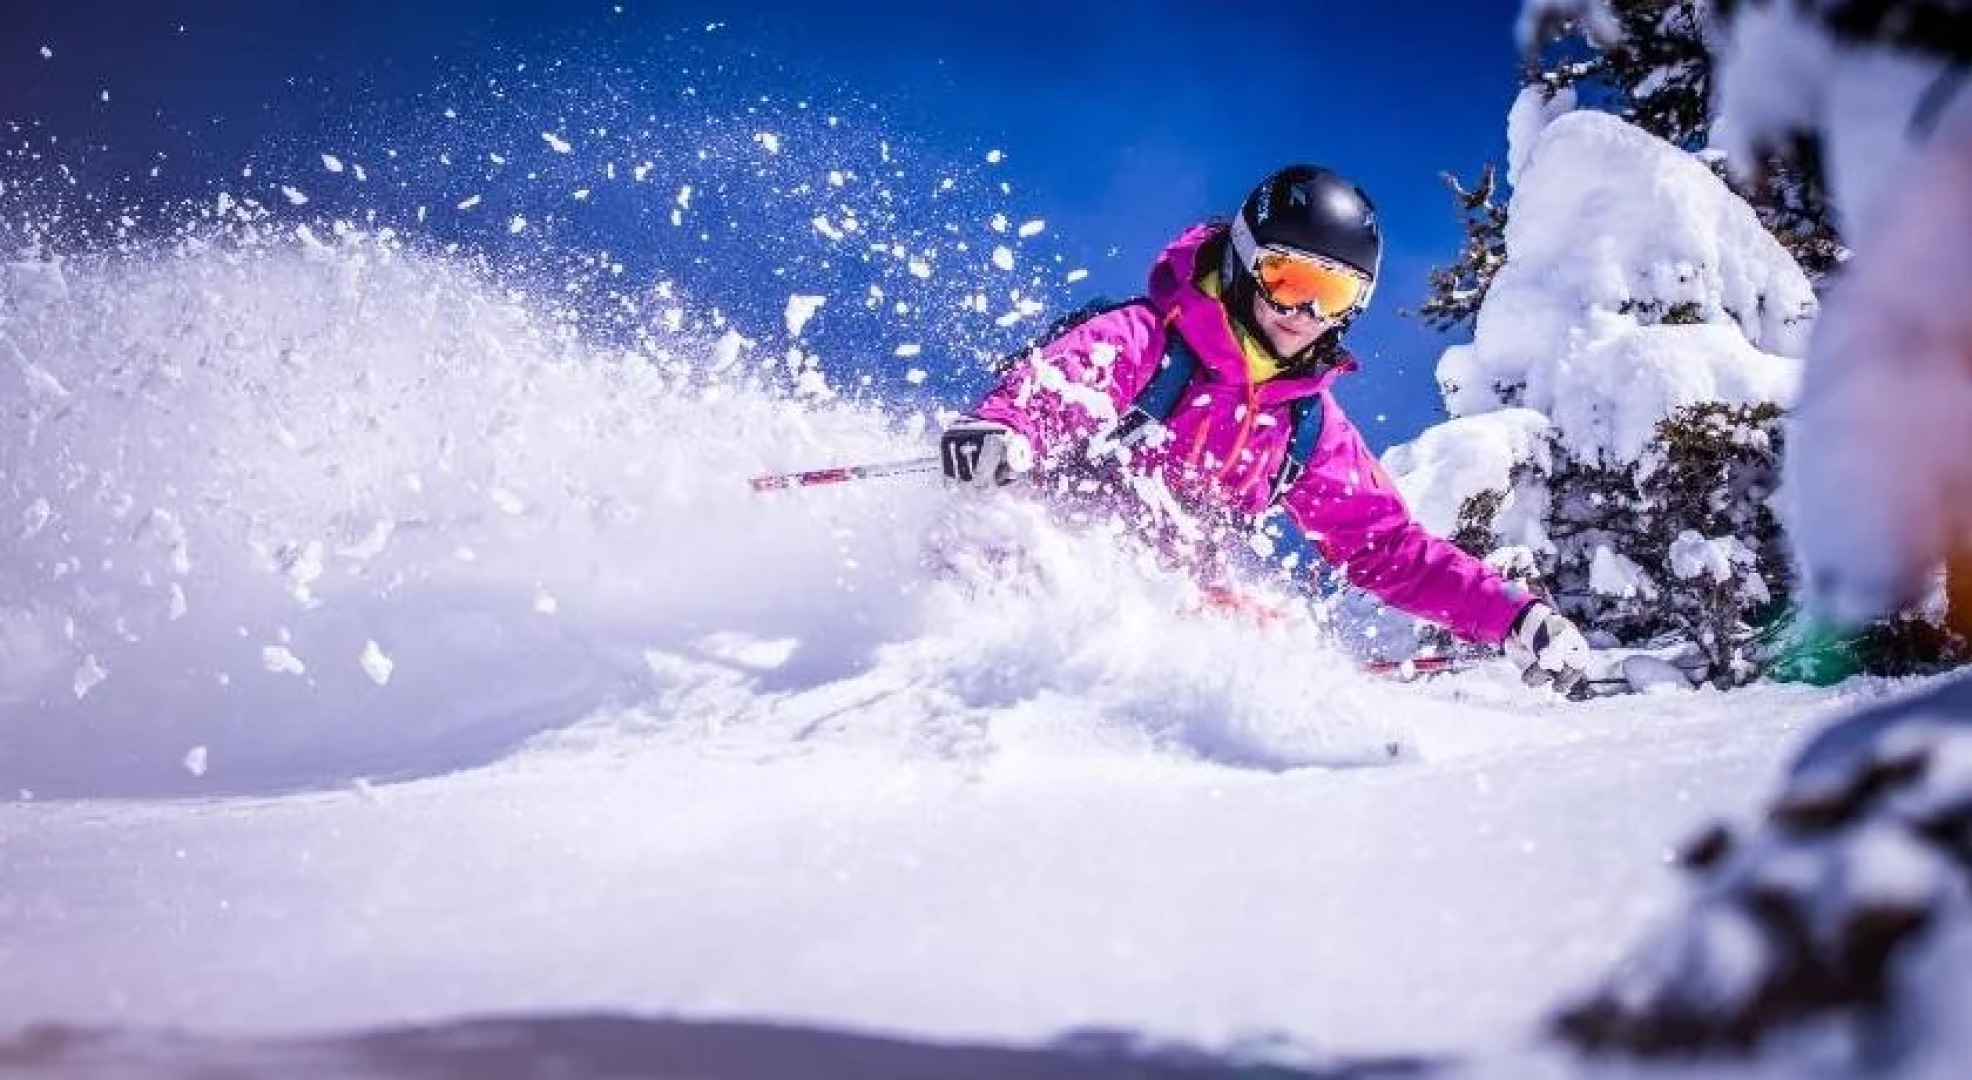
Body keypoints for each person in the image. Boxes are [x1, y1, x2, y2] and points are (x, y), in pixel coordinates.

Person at [937, 163, 1592, 693]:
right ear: (1246, 260)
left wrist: (1513, 615)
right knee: (1030, 566)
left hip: (1159, 609)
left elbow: (1384, 547)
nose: (1305, 310)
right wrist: (1001, 429)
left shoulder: (1306, 425)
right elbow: (1054, 387)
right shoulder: (1147, 344)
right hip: (1037, 563)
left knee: (1273, 633)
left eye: (1333, 296)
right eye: (1288, 278)